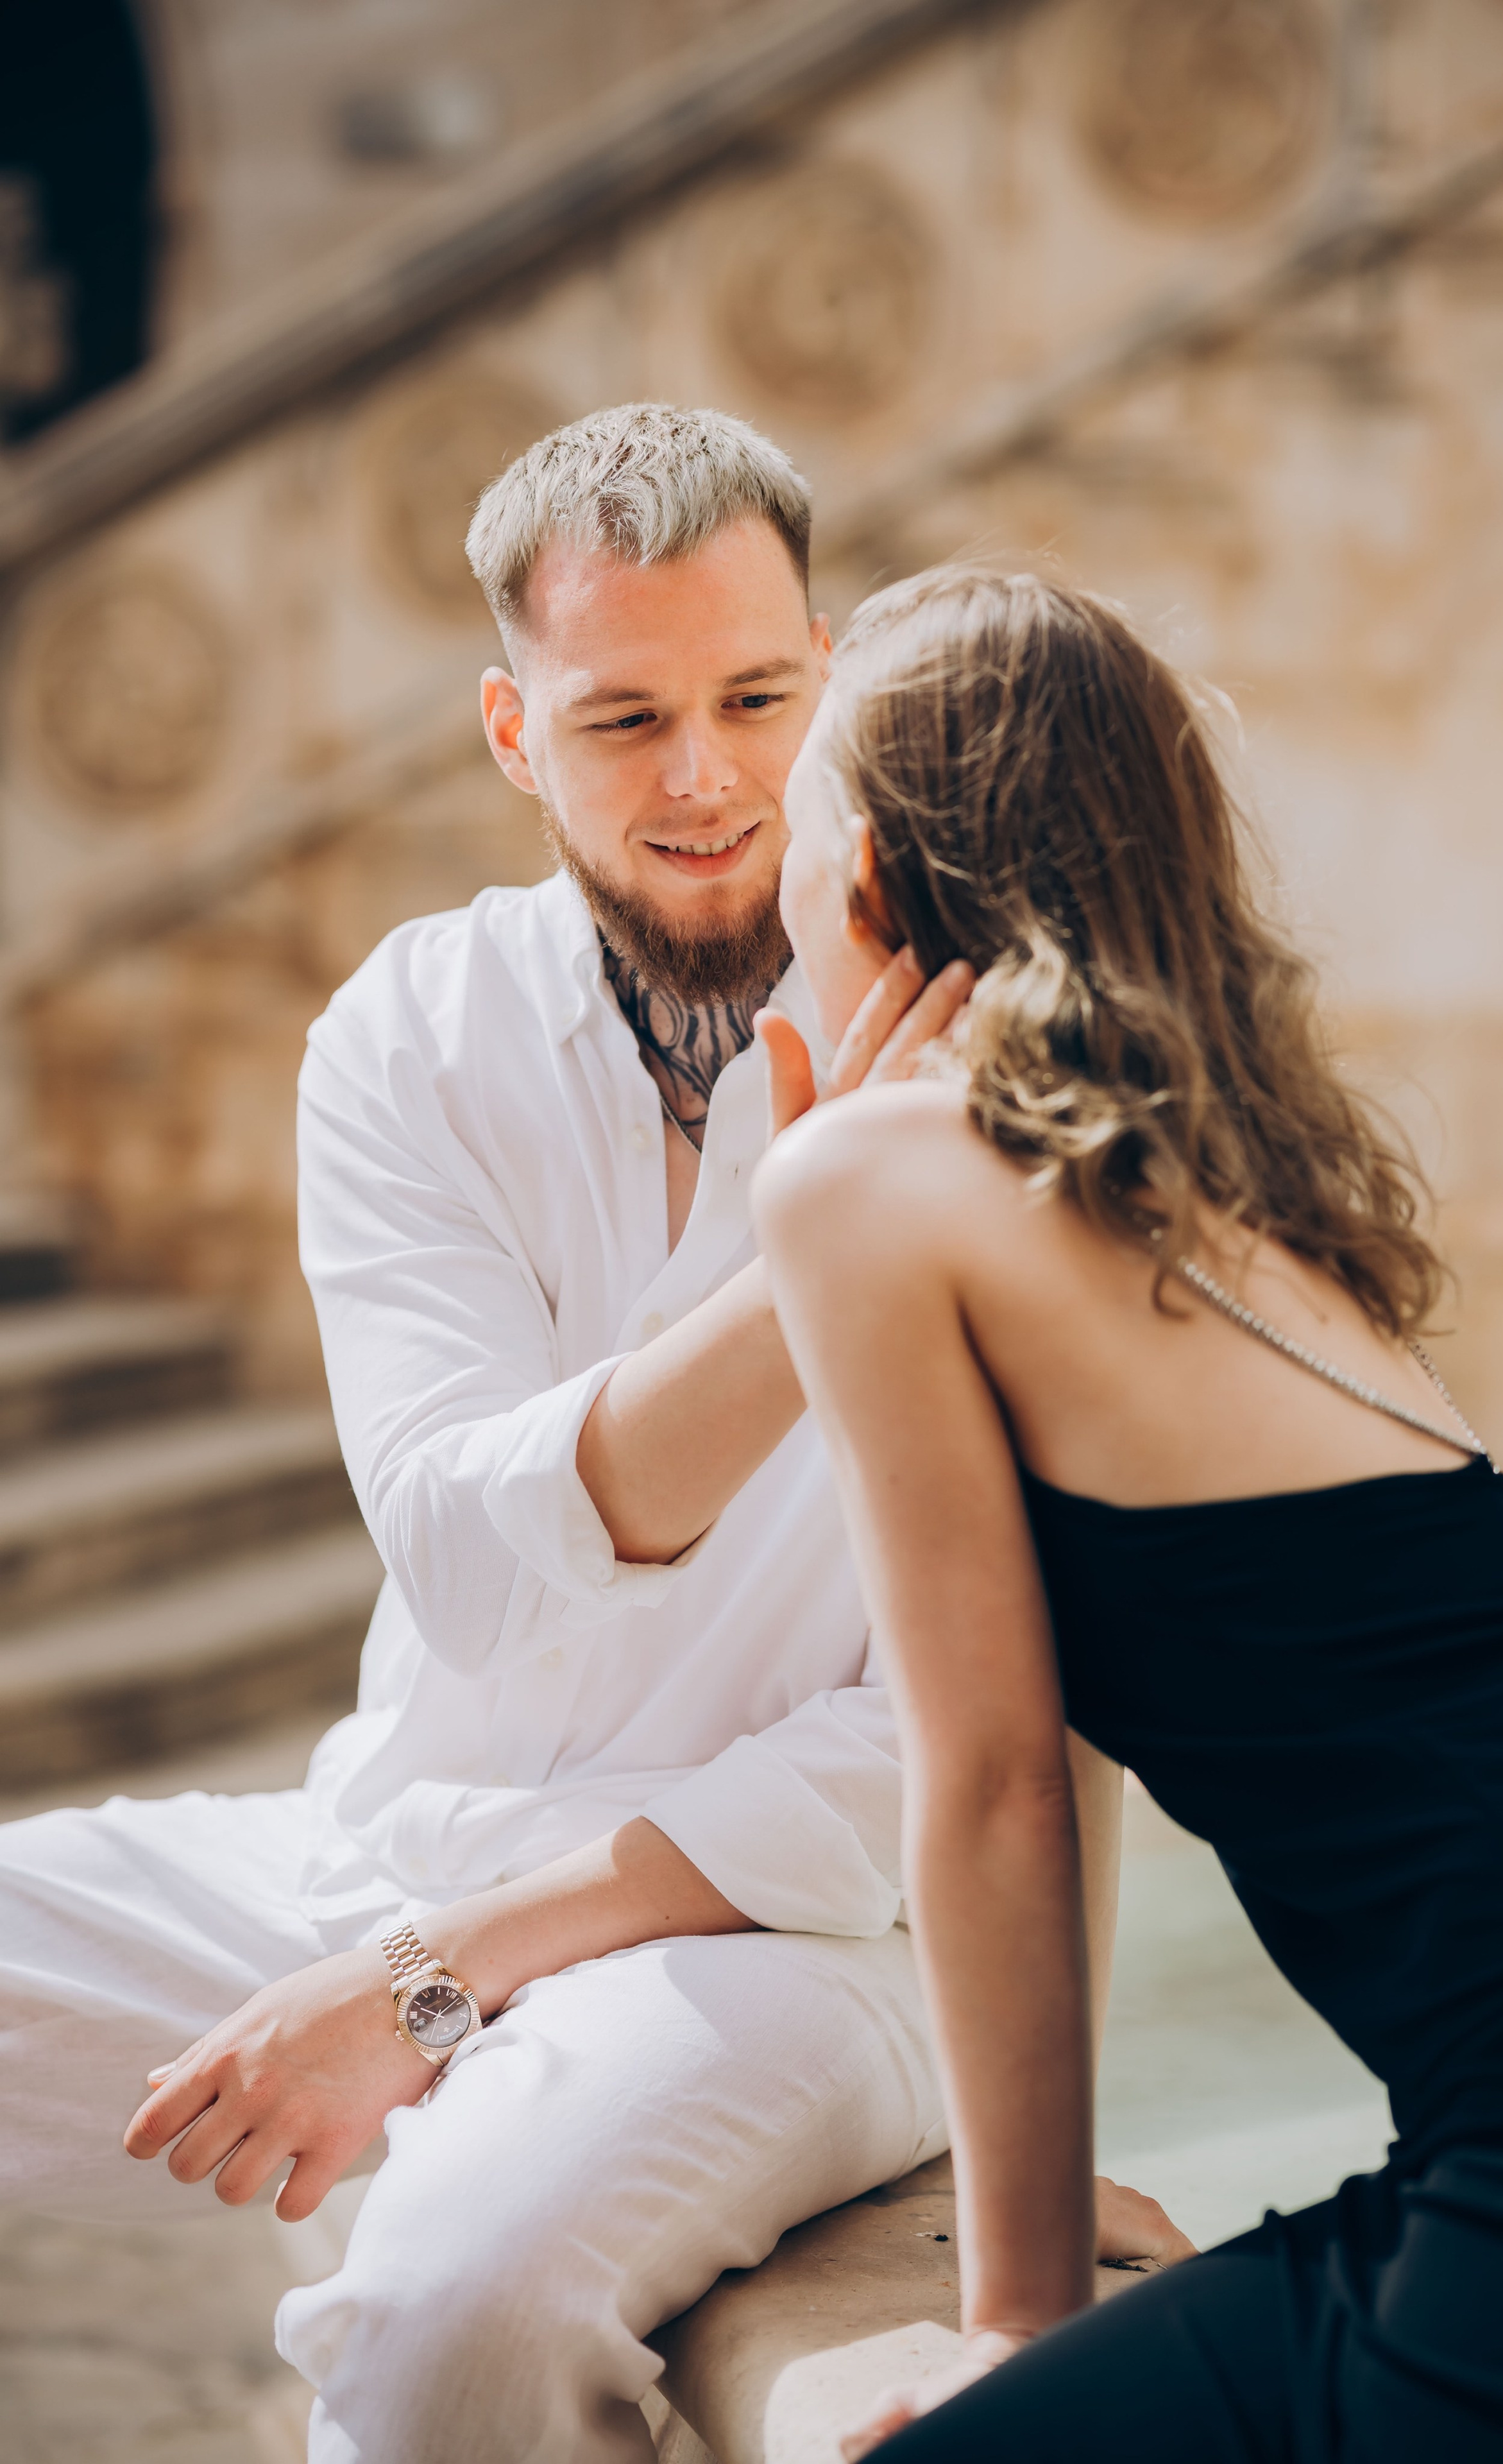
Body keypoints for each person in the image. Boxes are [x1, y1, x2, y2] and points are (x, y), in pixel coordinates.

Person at [0, 411, 1178, 2464]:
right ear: (511, 730)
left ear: (834, 678)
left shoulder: (1006, 1063)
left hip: (794, 1937)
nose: (706, 776)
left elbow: (948, 1743)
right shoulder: (408, 1032)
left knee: (449, 2319)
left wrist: (435, 1983)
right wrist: (820, 1251)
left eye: (755, 697)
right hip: (395, 1840)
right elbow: (460, 1554)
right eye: (623, 715)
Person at [752, 565, 1503, 2461]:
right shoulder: (1245, 1215)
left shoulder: (865, 1182)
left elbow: (985, 1778)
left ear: (874, 882)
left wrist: (1012, 2325)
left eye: (796, 818)